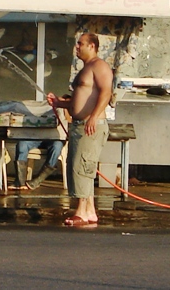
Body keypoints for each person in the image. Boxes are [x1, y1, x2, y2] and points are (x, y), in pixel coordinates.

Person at [47, 32, 113, 226]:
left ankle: (82, 211)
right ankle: (89, 210)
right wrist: (59, 103)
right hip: (78, 126)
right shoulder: (85, 69)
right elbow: (80, 100)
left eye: (80, 43)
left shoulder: (100, 66)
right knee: (78, 165)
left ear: (92, 46)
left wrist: (93, 117)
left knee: (81, 166)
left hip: (90, 126)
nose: (77, 47)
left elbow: (106, 92)